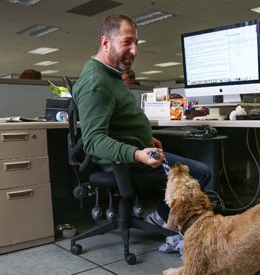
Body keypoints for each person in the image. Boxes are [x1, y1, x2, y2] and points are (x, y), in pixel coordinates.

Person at [72, 14, 211, 226]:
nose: (134, 50)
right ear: (105, 42)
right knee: (201, 173)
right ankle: (160, 219)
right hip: (122, 163)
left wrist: (146, 138)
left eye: (136, 43)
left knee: (182, 156)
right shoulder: (96, 83)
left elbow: (119, 121)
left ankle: (174, 216)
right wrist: (137, 154)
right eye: (127, 42)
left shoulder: (109, 74)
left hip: (132, 153)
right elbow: (93, 142)